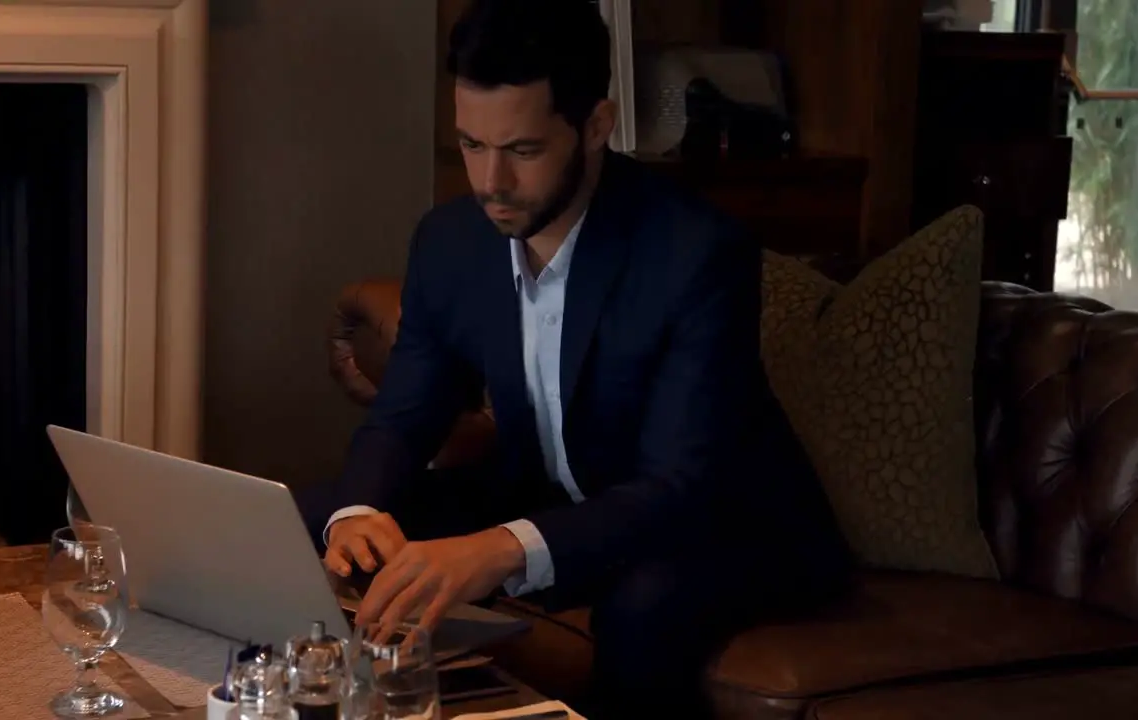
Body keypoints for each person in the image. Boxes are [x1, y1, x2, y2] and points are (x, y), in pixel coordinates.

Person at [311, 0, 850, 715]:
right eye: (472, 145)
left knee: (643, 606)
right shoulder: (450, 241)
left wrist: (498, 549)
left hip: (723, 524)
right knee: (315, 513)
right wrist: (356, 512)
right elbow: (403, 420)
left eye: (522, 151)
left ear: (597, 125)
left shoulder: (695, 252)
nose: (489, 183)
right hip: (557, 498)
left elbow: (677, 488)